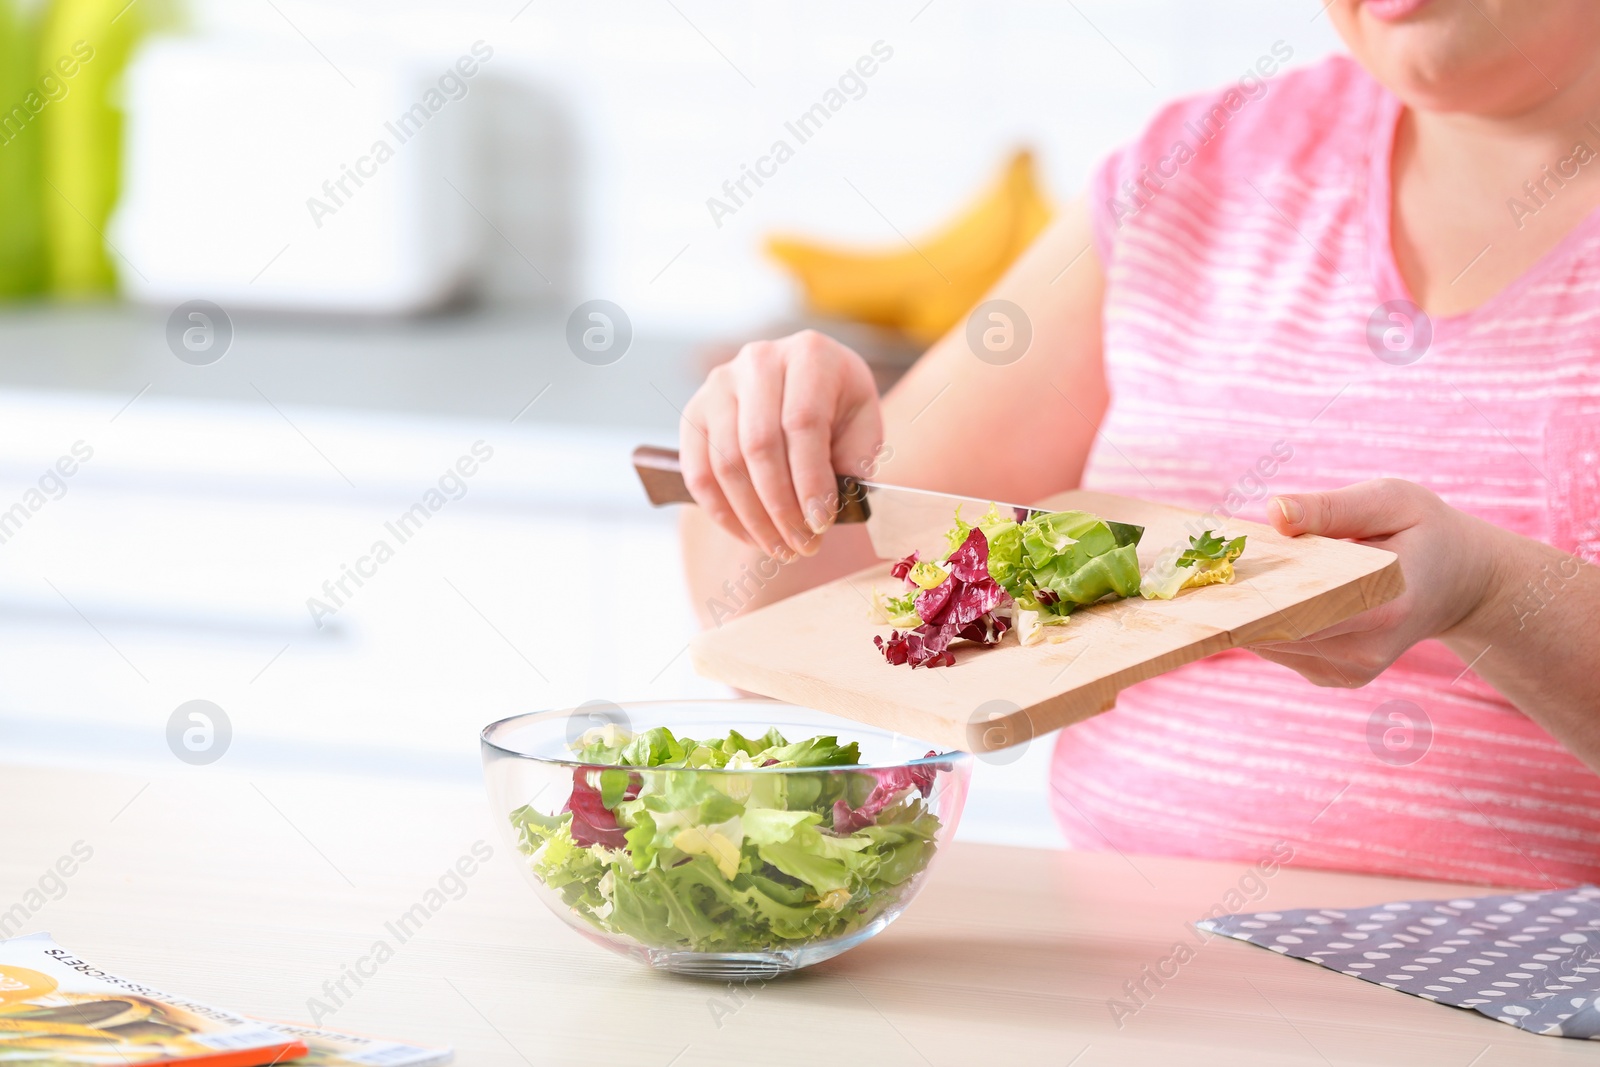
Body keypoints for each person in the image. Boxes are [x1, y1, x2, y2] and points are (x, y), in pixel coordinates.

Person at [674, 0, 1600, 887]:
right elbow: (782, 597)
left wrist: (1490, 593)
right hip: (1117, 974)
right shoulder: (1202, 170)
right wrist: (769, 449)